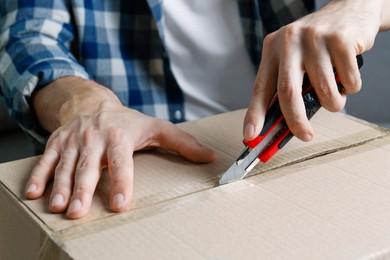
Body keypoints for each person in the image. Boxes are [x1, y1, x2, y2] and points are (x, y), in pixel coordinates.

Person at [0, 0, 389, 219]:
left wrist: (365, 6)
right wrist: (84, 104)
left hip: (277, 152)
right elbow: (25, 37)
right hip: (133, 150)